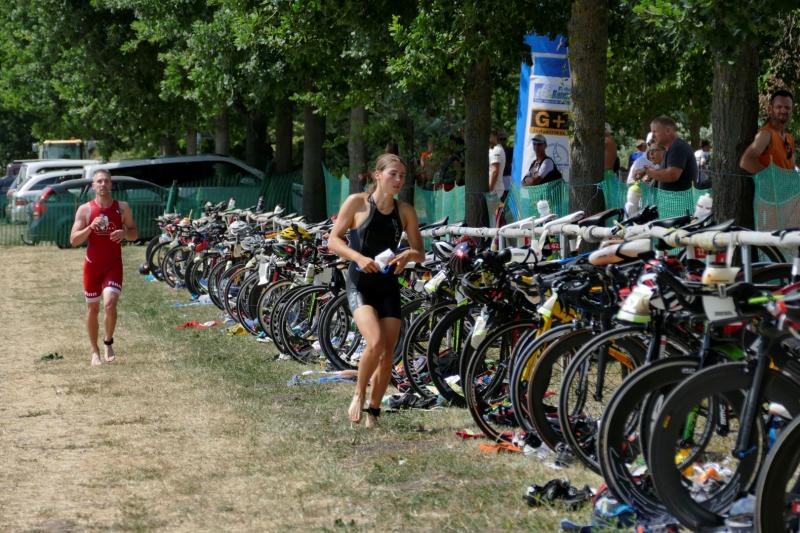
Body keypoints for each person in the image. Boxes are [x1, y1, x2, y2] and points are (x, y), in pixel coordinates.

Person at [327, 154, 425, 428]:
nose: (399, 180)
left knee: (388, 353)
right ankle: (359, 394)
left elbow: (420, 252)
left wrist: (407, 255)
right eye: (393, 174)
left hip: (388, 285)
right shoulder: (357, 203)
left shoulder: (405, 211)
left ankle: (374, 411)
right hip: (360, 284)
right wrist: (358, 258)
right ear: (377, 175)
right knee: (376, 341)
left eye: (402, 176)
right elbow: (333, 240)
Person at [70, 169, 138, 366]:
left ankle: (108, 342)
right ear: (93, 186)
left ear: (111, 184)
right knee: (93, 308)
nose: (103, 184)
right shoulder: (85, 209)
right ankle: (95, 351)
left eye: (106, 181)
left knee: (110, 304)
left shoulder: (122, 208)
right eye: (99, 181)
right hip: (92, 266)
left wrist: (125, 234)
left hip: (113, 265)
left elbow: (134, 233)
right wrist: (91, 227)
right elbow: (74, 240)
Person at [739, 89, 795, 173]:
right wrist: (772, 178)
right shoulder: (766, 134)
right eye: (779, 107)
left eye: (787, 107)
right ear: (770, 109)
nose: (783, 111)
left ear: (792, 110)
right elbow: (745, 162)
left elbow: (791, 169)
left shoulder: (790, 138)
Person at [641, 116, 697, 191]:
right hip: (671, 198)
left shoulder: (678, 147)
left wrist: (649, 172)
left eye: (655, 132)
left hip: (679, 198)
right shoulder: (670, 149)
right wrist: (647, 173)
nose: (653, 136)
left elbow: (672, 175)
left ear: (668, 131)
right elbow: (665, 173)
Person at [488, 131, 506, 226]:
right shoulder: (493, 149)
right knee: (493, 222)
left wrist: (489, 190)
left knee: (494, 223)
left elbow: (495, 171)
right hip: (494, 192)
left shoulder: (496, 150)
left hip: (495, 192)